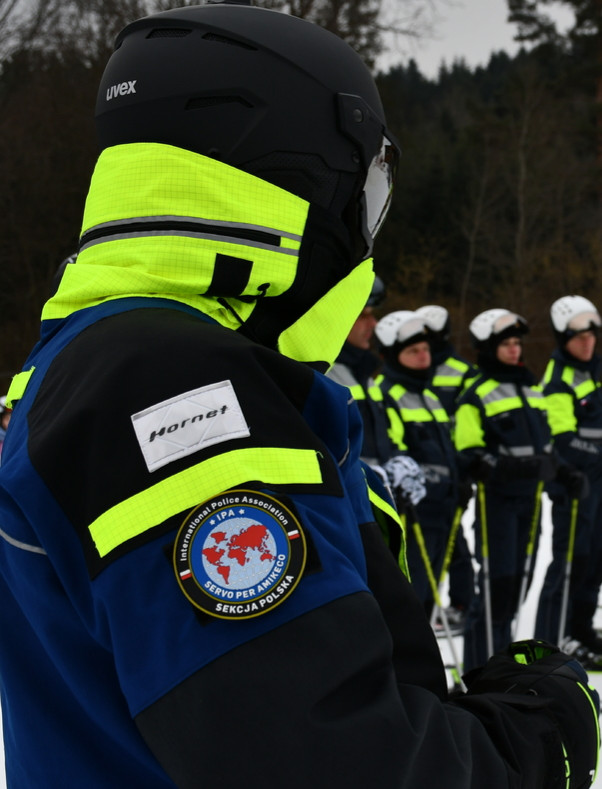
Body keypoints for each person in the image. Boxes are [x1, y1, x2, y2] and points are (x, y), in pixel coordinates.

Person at [0, 4, 598, 788]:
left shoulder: (88, 360)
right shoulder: (173, 393)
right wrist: (529, 739)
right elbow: (327, 758)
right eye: (369, 190)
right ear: (302, 177)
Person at [454, 309, 559, 672]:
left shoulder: (532, 387)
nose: (515, 350)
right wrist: (513, 468)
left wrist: (562, 470)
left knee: (519, 585)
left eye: (518, 343)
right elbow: (470, 454)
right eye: (506, 344)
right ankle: (477, 671)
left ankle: (506, 667)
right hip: (496, 502)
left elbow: (546, 445)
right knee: (496, 587)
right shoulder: (476, 393)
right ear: (487, 347)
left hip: (530, 501)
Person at [374, 310, 465, 618]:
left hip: (443, 510)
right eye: (414, 351)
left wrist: (459, 478)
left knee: (428, 595)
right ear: (394, 355)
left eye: (426, 349)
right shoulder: (388, 394)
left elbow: (445, 450)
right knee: (410, 597)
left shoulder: (430, 395)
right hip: (414, 513)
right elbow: (396, 452)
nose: (424, 356)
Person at [535, 295, 602, 665]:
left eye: (592, 333)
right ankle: (552, 639)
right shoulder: (558, 378)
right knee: (570, 561)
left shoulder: (595, 369)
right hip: (575, 483)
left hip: (599, 481)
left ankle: (580, 629)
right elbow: (564, 439)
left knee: (594, 561)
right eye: (579, 335)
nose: (587, 341)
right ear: (563, 337)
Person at [328, 277, 427, 521]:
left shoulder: (366, 378)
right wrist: (371, 475)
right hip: (348, 511)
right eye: (364, 315)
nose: (374, 323)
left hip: (376, 506)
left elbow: (383, 438)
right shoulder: (325, 376)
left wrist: (398, 463)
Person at [415, 303, 477, 628]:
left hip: (454, 467)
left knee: (453, 537)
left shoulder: (462, 372)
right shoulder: (411, 368)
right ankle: (429, 601)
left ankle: (463, 600)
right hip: (423, 468)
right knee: (430, 539)